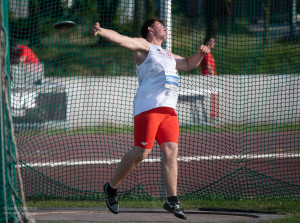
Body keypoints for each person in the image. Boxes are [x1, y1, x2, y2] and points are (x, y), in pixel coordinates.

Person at [91, 18, 210, 220]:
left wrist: (200, 54)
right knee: (142, 152)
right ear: (150, 29)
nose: (164, 26)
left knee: (171, 152)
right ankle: (111, 188)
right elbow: (121, 39)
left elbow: (189, 64)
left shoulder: (168, 54)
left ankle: (172, 200)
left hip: (169, 111)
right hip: (149, 108)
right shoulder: (144, 46)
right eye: (160, 24)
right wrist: (101, 31)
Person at [200, 37, 219, 119]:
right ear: (207, 42)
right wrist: (213, 77)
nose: (213, 43)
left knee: (214, 97)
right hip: (208, 78)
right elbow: (208, 66)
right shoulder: (206, 53)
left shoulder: (209, 54)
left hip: (210, 78)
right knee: (212, 98)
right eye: (211, 41)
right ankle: (212, 117)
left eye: (214, 42)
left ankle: (213, 116)